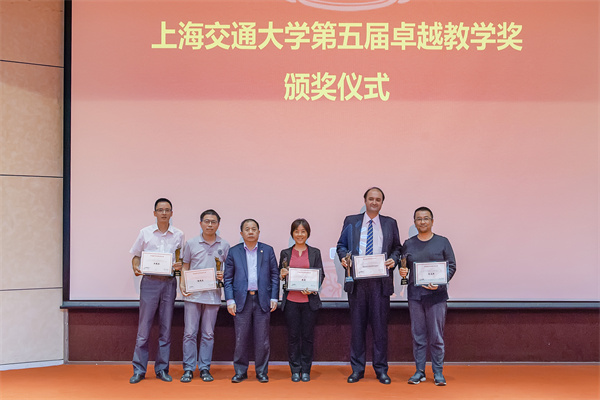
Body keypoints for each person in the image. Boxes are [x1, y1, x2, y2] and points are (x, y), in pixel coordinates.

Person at [336, 187, 401, 384]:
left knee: (380, 329)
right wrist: (343, 258)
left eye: (378, 199)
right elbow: (341, 246)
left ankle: (381, 370)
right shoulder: (351, 221)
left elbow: (397, 248)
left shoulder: (390, 223)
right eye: (371, 199)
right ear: (365, 200)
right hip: (357, 283)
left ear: (382, 203)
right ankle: (357, 369)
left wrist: (393, 259)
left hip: (380, 283)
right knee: (357, 328)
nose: (374, 202)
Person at [129, 198, 185, 384]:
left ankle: (162, 369)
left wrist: (178, 265)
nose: (164, 213)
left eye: (167, 210)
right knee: (144, 329)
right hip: (150, 283)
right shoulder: (145, 233)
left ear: (171, 213)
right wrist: (135, 267)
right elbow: (136, 256)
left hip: (169, 283)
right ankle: (139, 370)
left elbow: (180, 260)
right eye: (160, 210)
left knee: (166, 328)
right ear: (154, 213)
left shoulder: (179, 234)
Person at [399, 206, 456, 386]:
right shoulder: (408, 243)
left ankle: (438, 373)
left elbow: (451, 266)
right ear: (414, 222)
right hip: (415, 297)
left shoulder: (443, 242)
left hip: (437, 297)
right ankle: (419, 371)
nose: (422, 222)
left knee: (436, 337)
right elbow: (404, 266)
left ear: (432, 221)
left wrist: (440, 282)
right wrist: (402, 271)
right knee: (418, 336)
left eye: (426, 218)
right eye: (419, 219)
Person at [224, 219, 279, 383]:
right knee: (241, 339)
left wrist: (274, 297)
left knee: (262, 340)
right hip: (242, 300)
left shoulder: (267, 250)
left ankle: (261, 372)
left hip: (263, 299)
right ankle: (240, 371)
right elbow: (228, 279)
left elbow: (275, 275)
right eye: (247, 229)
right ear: (241, 233)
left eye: (254, 229)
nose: (250, 232)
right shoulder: (234, 252)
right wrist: (229, 300)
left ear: (258, 232)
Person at [179, 209, 230, 383]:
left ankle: (205, 368)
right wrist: (182, 284)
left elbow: (228, 269)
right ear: (200, 223)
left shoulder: (224, 245)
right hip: (193, 295)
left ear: (218, 224)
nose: (210, 225)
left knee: (208, 333)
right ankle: (188, 369)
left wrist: (223, 274)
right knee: (189, 333)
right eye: (206, 221)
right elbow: (185, 265)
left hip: (212, 295)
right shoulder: (191, 243)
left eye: (213, 222)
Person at [279, 219, 325, 382]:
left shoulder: (315, 252)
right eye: (296, 231)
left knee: (307, 337)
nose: (300, 234)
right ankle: (295, 370)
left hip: (309, 302)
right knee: (293, 337)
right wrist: (282, 274)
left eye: (303, 231)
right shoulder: (285, 253)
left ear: (308, 233)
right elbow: (280, 274)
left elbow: (320, 274)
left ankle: (306, 370)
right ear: (292, 233)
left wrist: (313, 288)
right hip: (291, 302)